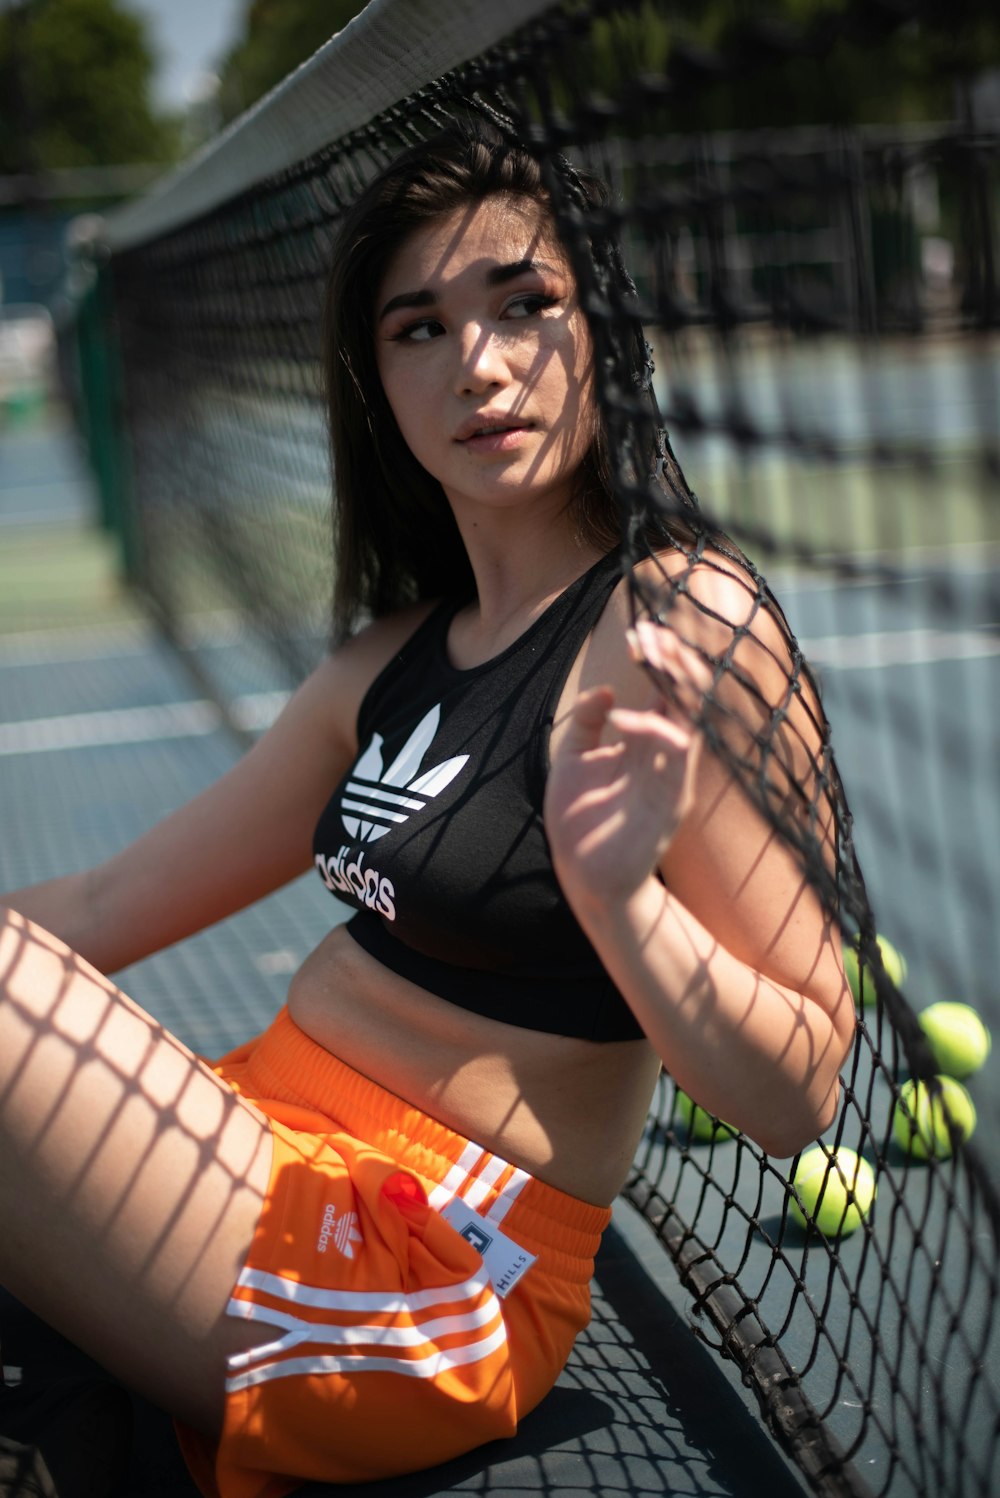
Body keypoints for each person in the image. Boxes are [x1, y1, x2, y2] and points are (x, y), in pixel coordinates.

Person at [0, 120, 855, 1497]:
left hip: (432, 1270)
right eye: (420, 326)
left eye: (525, 303)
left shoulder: (684, 620)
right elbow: (100, 908)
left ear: (601, 335)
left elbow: (801, 1090)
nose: (480, 359)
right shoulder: (381, 665)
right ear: (377, 381)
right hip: (255, 1142)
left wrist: (624, 895)